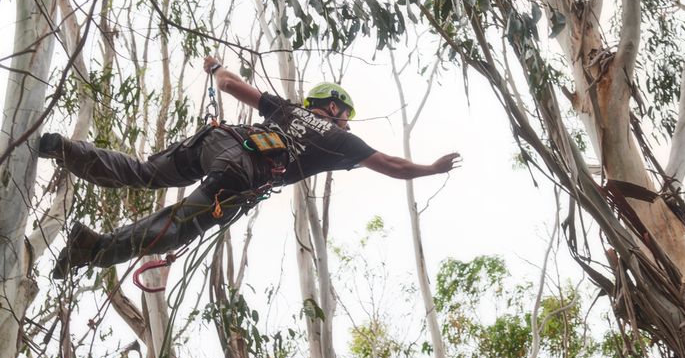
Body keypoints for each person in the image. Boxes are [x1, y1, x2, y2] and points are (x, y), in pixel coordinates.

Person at [39, 56, 460, 279]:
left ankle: (65, 150)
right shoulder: (339, 141)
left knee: (143, 172)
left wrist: (215, 67)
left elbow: (228, 85)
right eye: (346, 114)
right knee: (176, 226)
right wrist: (431, 168)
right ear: (333, 107)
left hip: (216, 140)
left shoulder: (288, 110)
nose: (348, 122)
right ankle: (92, 249)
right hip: (241, 171)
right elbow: (390, 164)